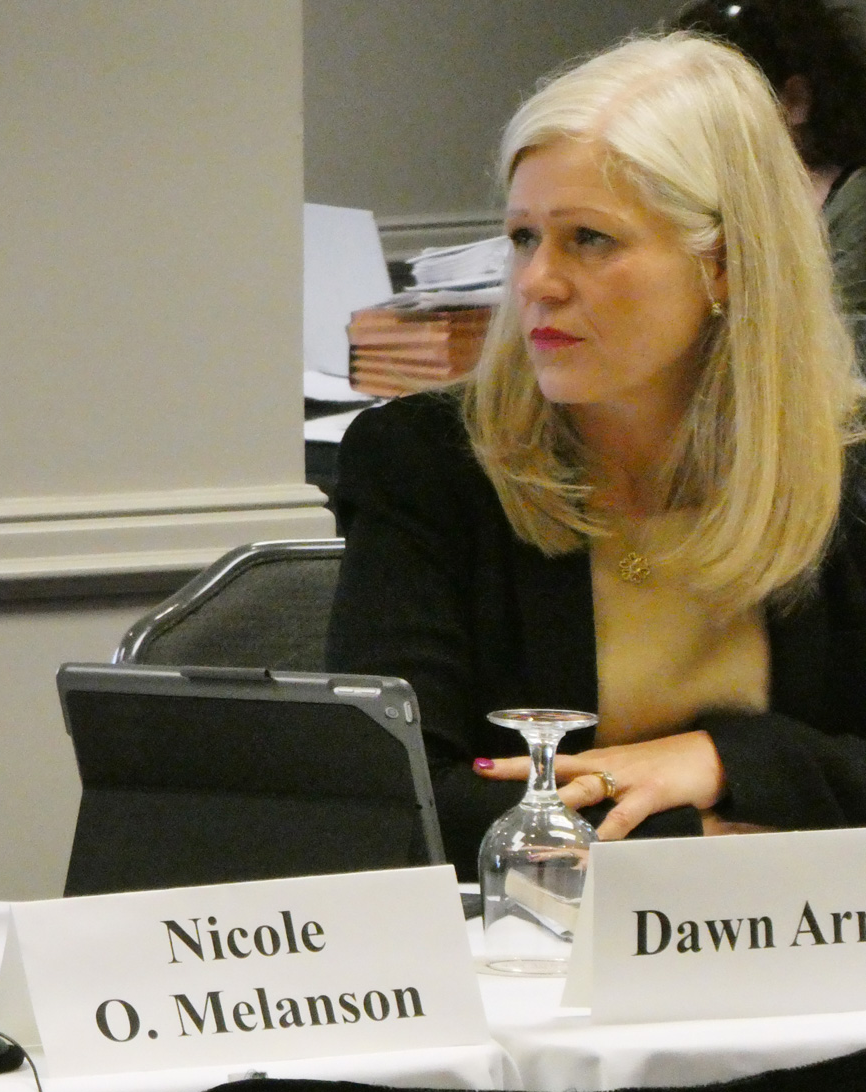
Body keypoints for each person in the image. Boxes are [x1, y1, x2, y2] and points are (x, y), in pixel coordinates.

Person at [325, 33, 866, 879]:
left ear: (725, 263)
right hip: (528, 941)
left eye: (588, 238)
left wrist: (721, 758)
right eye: (522, 237)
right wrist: (697, 842)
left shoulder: (844, 466)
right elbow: (396, 797)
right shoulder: (425, 462)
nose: (535, 282)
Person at [672, 0, 866, 364]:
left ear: (794, 102)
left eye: (717, 105)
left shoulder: (854, 204)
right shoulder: (705, 191)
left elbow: (841, 355)